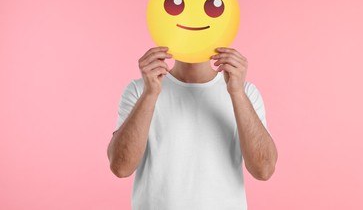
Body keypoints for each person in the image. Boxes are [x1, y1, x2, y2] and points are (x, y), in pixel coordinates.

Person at [107, 46, 278, 209]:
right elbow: (121, 167)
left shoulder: (245, 92)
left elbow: (264, 170)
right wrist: (150, 93)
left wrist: (237, 93)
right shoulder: (139, 90)